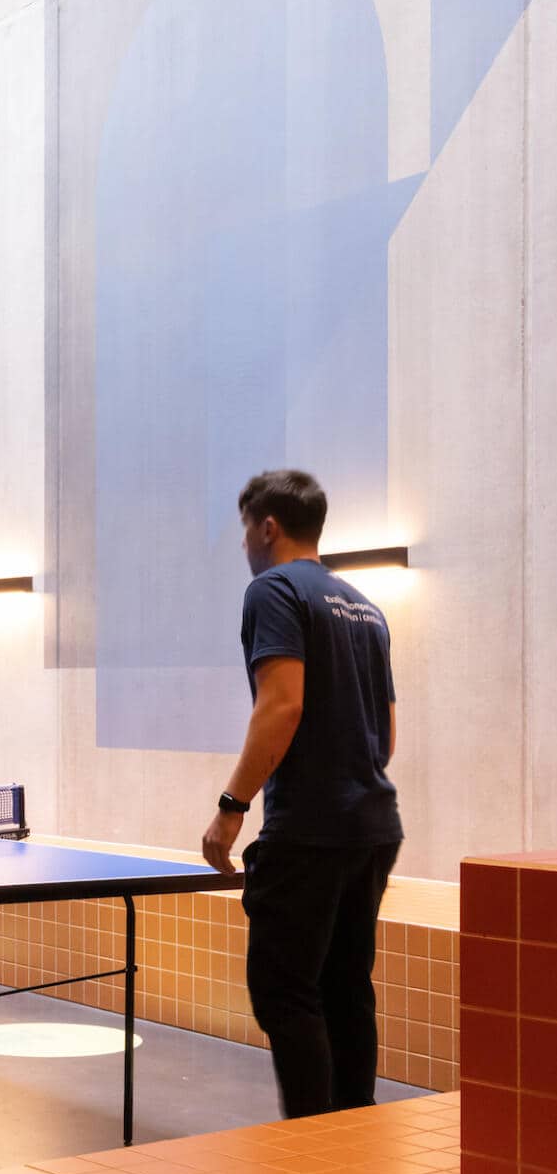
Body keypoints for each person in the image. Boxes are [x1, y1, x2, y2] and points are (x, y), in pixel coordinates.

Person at [201, 470, 402, 1119]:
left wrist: (230, 810)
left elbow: (279, 705)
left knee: (284, 990)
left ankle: (309, 1141)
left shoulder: (272, 590)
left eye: (243, 531)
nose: (243, 547)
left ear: (267, 527)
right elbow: (386, 733)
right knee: (345, 986)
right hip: (371, 825)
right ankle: (351, 1132)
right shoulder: (362, 605)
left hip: (309, 830)